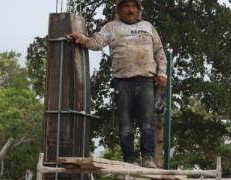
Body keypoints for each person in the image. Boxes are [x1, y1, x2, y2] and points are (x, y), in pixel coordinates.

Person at [70, 0, 167, 168]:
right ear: (120, 9)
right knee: (125, 123)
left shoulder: (148, 26)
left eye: (133, 6)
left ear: (138, 9)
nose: (130, 10)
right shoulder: (111, 27)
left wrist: (162, 73)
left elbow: (159, 52)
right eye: (126, 6)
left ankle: (148, 158)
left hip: (146, 80)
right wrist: (82, 39)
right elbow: (97, 42)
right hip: (122, 81)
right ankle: (129, 158)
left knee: (147, 123)